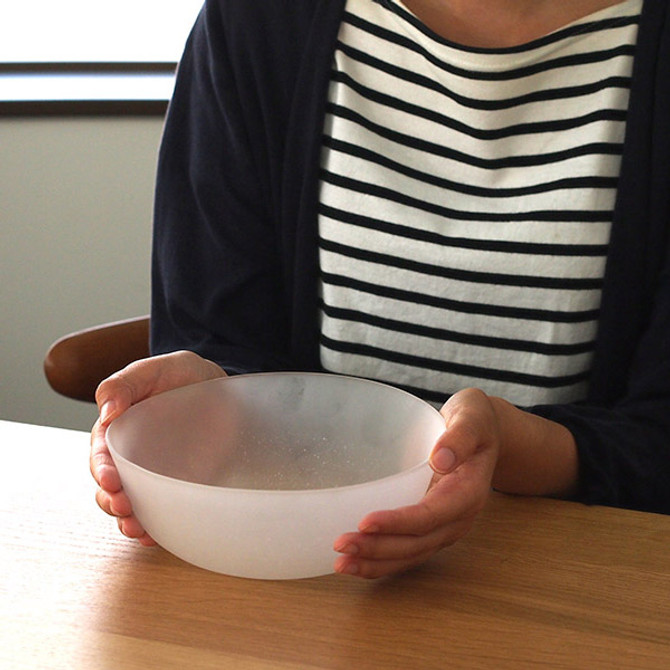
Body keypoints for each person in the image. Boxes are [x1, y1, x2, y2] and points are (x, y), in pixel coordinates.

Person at [91, 0, 670, 579]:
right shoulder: (257, 19)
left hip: (570, 577)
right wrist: (209, 398)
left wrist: (511, 446)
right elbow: (220, 338)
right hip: (299, 574)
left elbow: (657, 442)